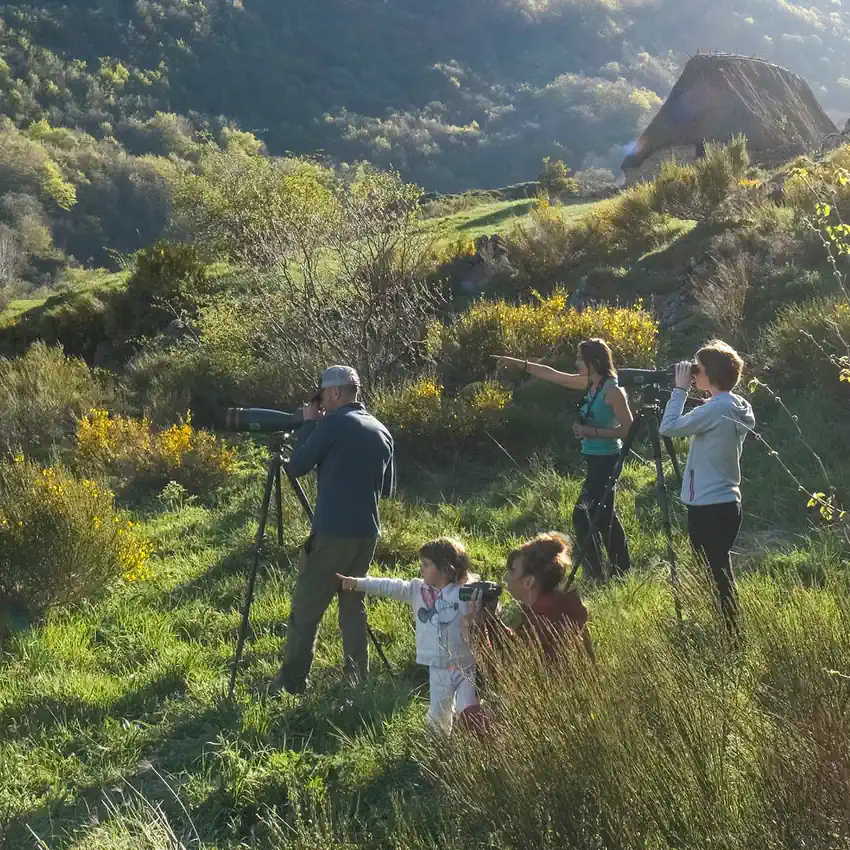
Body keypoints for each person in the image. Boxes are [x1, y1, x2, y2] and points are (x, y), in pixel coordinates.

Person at [269, 365, 395, 696]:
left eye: (323, 394)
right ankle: (357, 679)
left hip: (332, 534)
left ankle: (292, 682)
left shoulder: (333, 424)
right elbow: (387, 489)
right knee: (352, 607)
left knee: (306, 608)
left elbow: (296, 467)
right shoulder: (381, 430)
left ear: (336, 392)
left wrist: (310, 424)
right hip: (367, 532)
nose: (321, 400)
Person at [493, 339, 633, 581]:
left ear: (594, 362)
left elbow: (629, 429)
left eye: (581, 359)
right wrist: (519, 363)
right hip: (594, 458)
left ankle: (597, 573)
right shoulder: (591, 384)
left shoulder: (612, 391)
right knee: (604, 514)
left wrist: (592, 432)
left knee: (583, 515)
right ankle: (621, 570)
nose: (576, 363)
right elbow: (554, 375)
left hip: (607, 459)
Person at [337, 537, 480, 735]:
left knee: (468, 710)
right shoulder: (417, 590)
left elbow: (489, 609)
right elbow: (389, 586)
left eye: (427, 565)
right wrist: (358, 583)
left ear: (446, 568)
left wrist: (482, 604)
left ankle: (473, 744)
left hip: (464, 665)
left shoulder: (465, 592)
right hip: (437, 667)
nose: (421, 569)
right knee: (438, 715)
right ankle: (439, 749)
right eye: (421, 564)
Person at [659, 341, 755, 632]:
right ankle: (726, 626)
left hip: (709, 505)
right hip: (727, 502)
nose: (692, 373)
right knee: (718, 572)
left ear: (710, 374)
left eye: (696, 368)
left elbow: (668, 428)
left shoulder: (716, 409)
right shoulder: (739, 405)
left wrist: (679, 390)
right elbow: (714, 410)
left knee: (718, 574)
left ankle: (731, 633)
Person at [472, 532, 592, 662]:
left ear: (528, 582)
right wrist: (492, 620)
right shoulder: (559, 608)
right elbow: (516, 647)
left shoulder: (542, 622)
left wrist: (477, 626)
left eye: (512, 571)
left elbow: (506, 671)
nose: (505, 578)